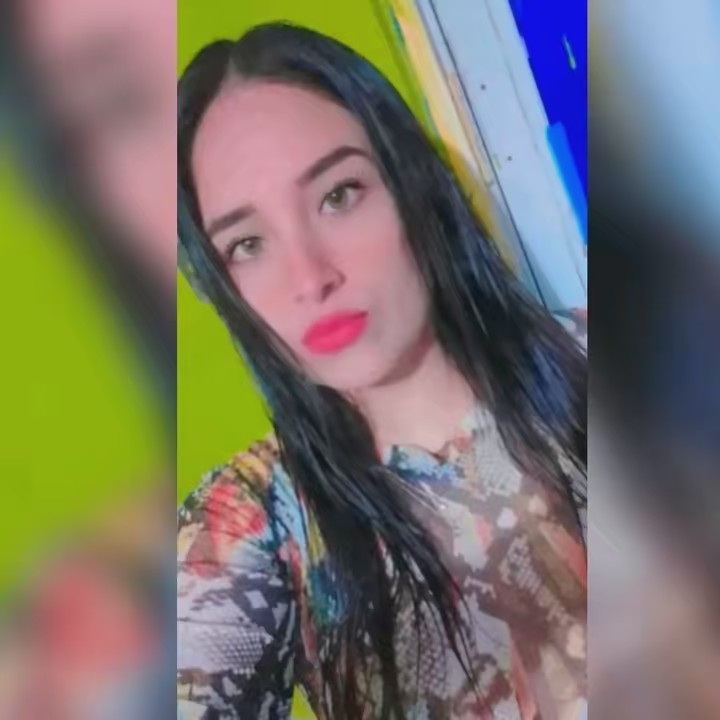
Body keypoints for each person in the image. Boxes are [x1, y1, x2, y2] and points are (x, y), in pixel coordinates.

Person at [177, 23, 587, 720]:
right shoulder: (255, 525)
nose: (310, 277)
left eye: (338, 195)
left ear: (411, 185)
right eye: (247, 244)